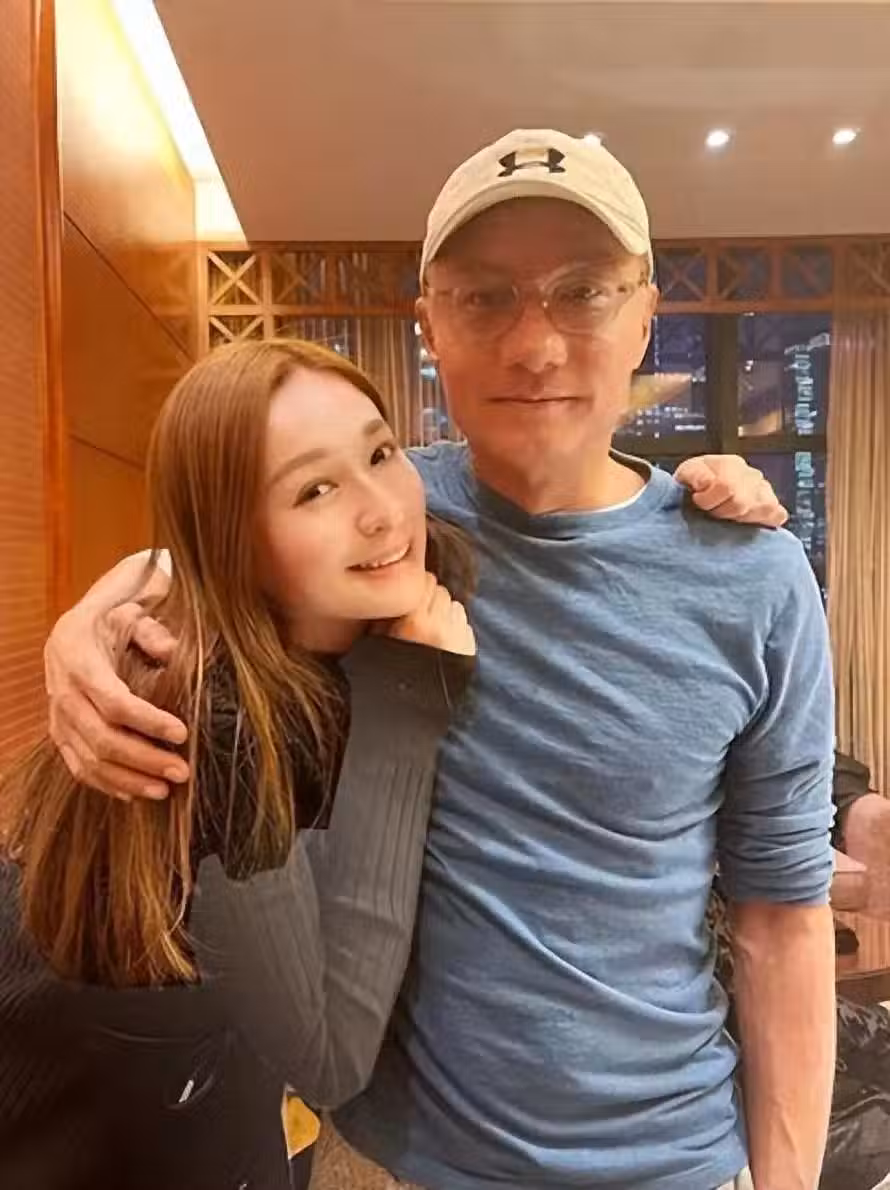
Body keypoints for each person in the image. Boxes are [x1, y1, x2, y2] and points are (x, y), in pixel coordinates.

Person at [42, 130, 835, 1190]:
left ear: (645, 315)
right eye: (484, 297)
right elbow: (231, 548)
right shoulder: (385, 522)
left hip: (673, 1157)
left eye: (582, 292)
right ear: (428, 326)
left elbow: (782, 915)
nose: (534, 345)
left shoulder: (753, 575)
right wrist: (95, 618)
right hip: (401, 1160)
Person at [0, 339, 475, 1190]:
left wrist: (704, 491)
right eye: (314, 490)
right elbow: (328, 1055)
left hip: (196, 1075)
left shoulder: (353, 618)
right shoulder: (217, 724)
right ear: (234, 538)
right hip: (83, 1111)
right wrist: (409, 708)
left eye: (380, 453)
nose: (382, 512)